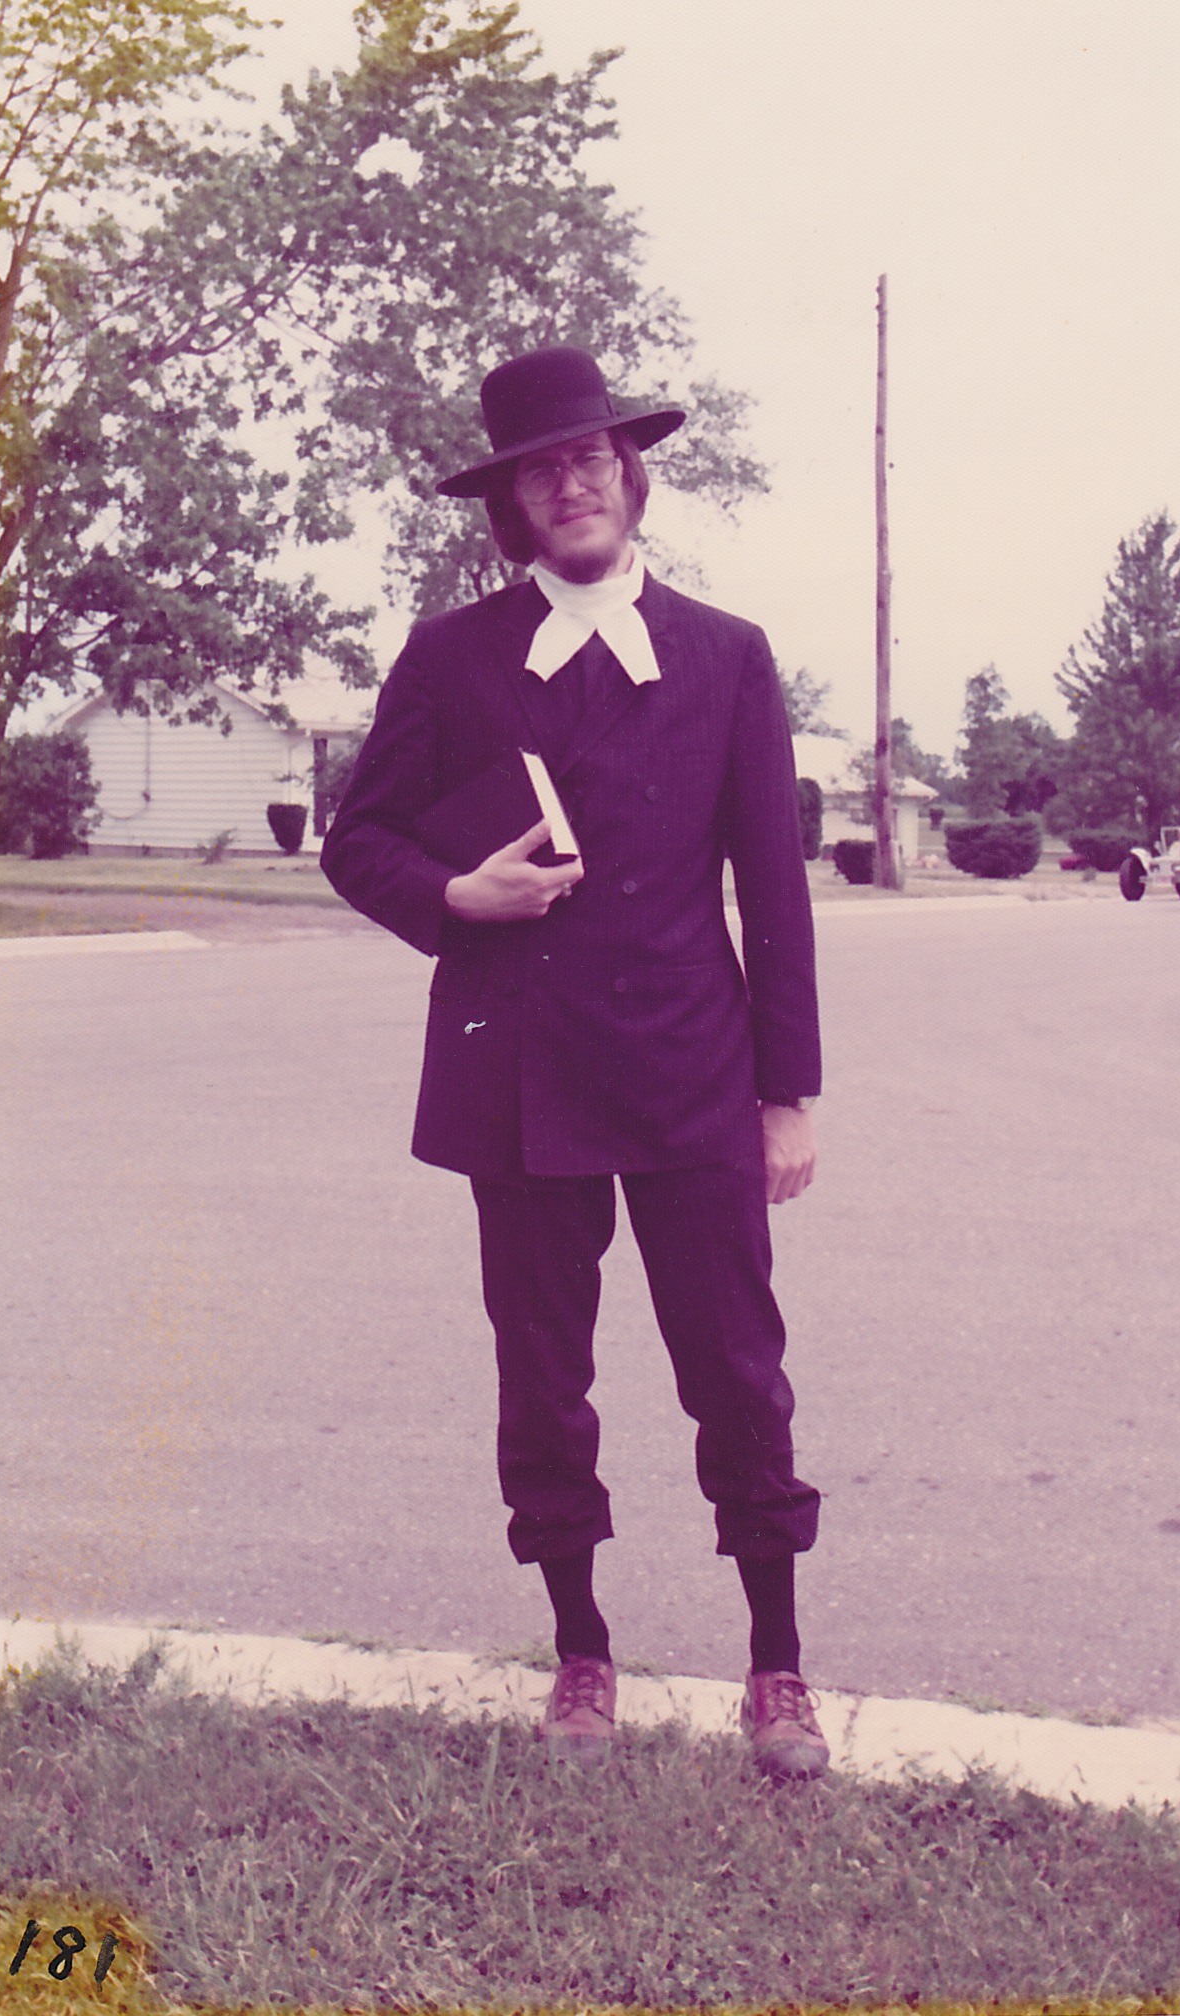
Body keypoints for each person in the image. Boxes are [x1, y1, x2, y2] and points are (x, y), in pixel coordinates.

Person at [321, 344, 826, 1779]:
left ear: (630, 477)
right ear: (513, 504)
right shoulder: (451, 655)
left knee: (736, 1370)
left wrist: (786, 1093)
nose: (573, 482)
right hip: (518, 1075)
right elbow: (363, 839)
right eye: (543, 468)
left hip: (693, 1073)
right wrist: (451, 900)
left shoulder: (726, 655)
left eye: (592, 458)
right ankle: (581, 1651)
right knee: (543, 1376)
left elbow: (773, 896)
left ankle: (778, 1665)